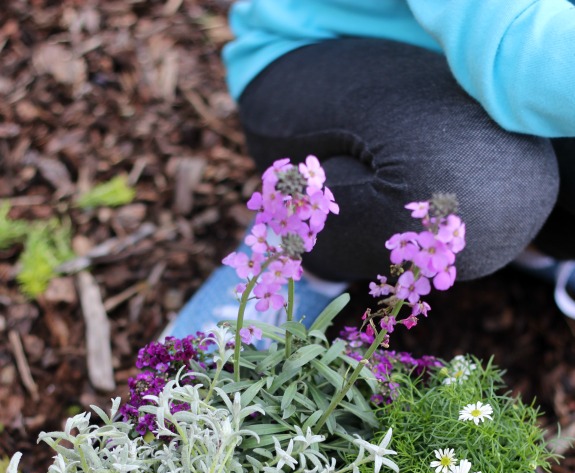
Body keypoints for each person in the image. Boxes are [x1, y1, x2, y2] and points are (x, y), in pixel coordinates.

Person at [164, 0, 575, 339]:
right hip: (325, 43)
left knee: (491, 196)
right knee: (483, 187)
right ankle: (298, 252)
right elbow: (515, 55)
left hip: (507, 75)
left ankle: (540, 241)